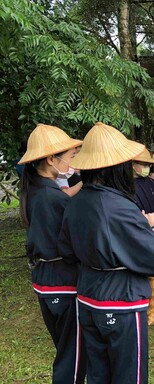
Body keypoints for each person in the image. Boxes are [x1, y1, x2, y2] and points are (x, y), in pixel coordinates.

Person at [58, 122, 154, 383]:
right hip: (121, 304)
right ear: (118, 166)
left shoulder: (75, 203)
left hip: (87, 299)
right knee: (129, 376)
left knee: (98, 374)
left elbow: (66, 250)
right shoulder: (120, 207)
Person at [18, 123, 86, 384]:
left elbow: (63, 196)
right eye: (70, 156)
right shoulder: (51, 197)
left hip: (46, 280)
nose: (72, 162)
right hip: (62, 283)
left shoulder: (38, 187)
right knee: (72, 357)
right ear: (50, 159)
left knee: (67, 350)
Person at [133, 147, 154, 220]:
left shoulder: (149, 181)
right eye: (144, 165)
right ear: (133, 164)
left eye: (148, 165)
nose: (147, 168)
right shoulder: (127, 184)